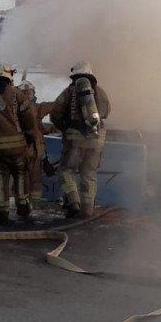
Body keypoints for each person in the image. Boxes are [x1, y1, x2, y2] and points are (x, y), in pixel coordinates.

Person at [0, 64, 41, 225]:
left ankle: (1, 211)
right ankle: (23, 205)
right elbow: (29, 118)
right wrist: (30, 136)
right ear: (9, 77)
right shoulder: (17, 94)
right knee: (20, 173)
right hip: (17, 148)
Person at [49, 61, 112, 218]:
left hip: (74, 141)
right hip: (96, 139)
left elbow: (55, 114)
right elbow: (106, 112)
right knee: (89, 174)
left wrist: (64, 127)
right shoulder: (99, 92)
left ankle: (73, 202)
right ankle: (87, 211)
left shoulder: (69, 92)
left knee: (66, 171)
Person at [18, 80, 50, 204]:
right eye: (25, 93)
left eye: (29, 93)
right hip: (33, 150)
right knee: (34, 180)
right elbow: (54, 106)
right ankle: (34, 205)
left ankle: (19, 203)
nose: (27, 95)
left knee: (20, 178)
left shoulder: (12, 109)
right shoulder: (37, 108)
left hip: (20, 150)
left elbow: (38, 127)